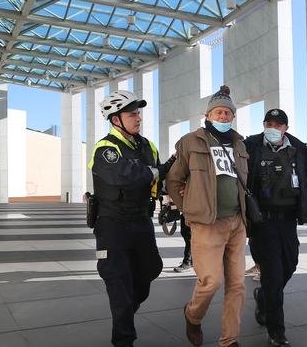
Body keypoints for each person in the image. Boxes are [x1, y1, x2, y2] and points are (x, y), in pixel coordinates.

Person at [89, 90, 175, 347]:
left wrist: (169, 192)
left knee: (151, 269)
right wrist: (157, 171)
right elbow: (126, 176)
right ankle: (123, 338)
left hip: (141, 220)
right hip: (112, 224)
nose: (138, 118)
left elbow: (159, 180)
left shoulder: (149, 146)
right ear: (116, 119)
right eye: (131, 113)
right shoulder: (106, 148)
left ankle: (126, 310)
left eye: (138, 113)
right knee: (118, 280)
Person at [244, 108, 307, 347]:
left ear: (286, 127)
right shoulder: (251, 146)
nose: (273, 128)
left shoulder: (298, 149)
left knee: (290, 265)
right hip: (261, 222)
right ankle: (277, 332)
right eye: (268, 123)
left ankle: (263, 296)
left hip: (287, 220)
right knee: (273, 274)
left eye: (278, 124)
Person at [166, 85, 248, 347]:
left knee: (237, 285)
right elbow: (174, 179)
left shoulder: (240, 144)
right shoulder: (191, 141)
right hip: (206, 224)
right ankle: (193, 315)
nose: (224, 117)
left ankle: (230, 340)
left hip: (237, 222)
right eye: (219, 112)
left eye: (228, 113)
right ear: (208, 114)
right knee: (211, 281)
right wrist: (188, 207)